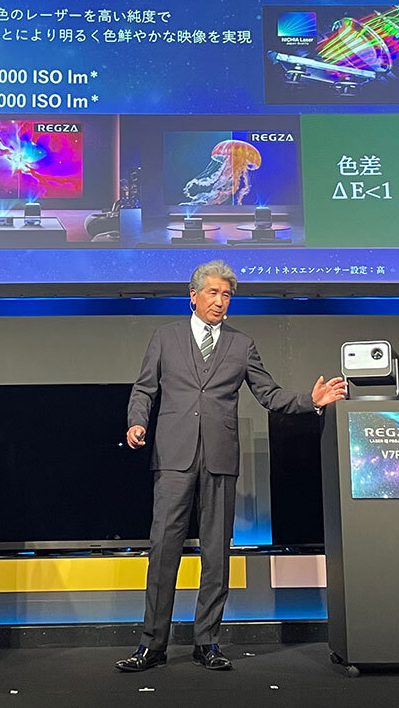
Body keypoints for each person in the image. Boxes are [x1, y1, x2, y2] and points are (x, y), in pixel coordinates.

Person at [115, 260, 347, 672]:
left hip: (220, 458)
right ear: (193, 296)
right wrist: (137, 422)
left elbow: (268, 393)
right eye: (213, 293)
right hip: (173, 457)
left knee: (217, 554)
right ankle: (152, 644)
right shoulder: (165, 337)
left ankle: (207, 642)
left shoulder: (242, 345)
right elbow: (144, 388)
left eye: (226, 295)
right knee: (163, 551)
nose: (220, 301)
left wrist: (311, 401)